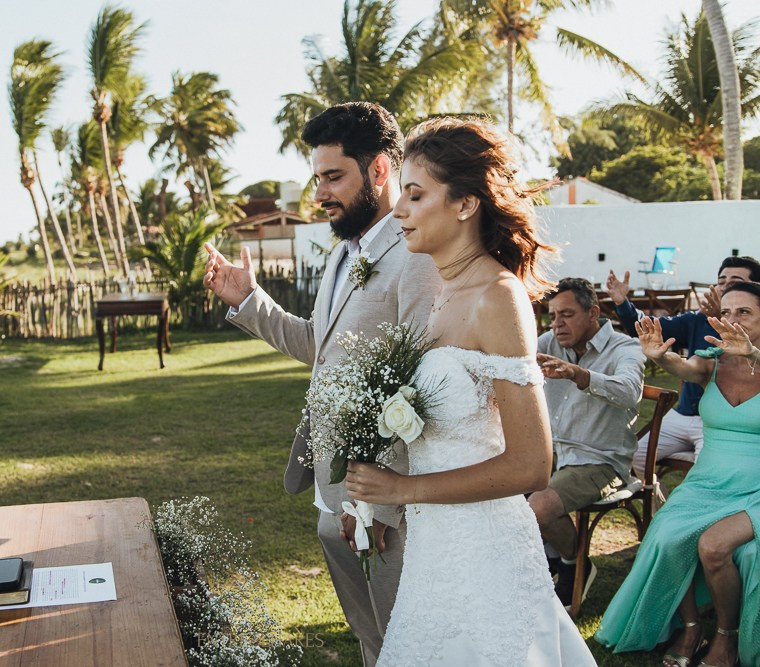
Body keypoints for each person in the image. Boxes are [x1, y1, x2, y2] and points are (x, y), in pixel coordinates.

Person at [343, 117, 595, 665]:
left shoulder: (497, 297)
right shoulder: (440, 292)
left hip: (485, 550)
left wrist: (401, 489)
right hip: (434, 548)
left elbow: (532, 465)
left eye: (415, 195)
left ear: (464, 204)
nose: (399, 210)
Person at [203, 102, 440, 665]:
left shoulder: (417, 257)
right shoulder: (341, 254)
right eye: (317, 179)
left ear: (379, 170)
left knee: (405, 639)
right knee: (369, 635)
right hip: (332, 487)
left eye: (333, 177)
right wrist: (249, 302)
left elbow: (424, 386)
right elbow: (321, 345)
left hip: (383, 500)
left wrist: (380, 505)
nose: (320, 194)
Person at [596, 281, 760, 667]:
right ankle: (691, 627)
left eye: (745, 312)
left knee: (714, 547)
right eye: (727, 312)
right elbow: (685, 368)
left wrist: (754, 353)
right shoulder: (713, 359)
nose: (732, 320)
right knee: (667, 537)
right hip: (708, 483)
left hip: (755, 489)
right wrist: (660, 356)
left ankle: (727, 638)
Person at [529, 277, 645, 608]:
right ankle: (549, 557)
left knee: (538, 507)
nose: (557, 323)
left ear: (593, 313)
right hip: (552, 454)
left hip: (600, 461)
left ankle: (572, 564)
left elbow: (629, 391)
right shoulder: (549, 342)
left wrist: (578, 375)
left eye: (566, 314)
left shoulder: (626, 347)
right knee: (501, 489)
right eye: (552, 315)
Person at [606, 256, 760, 479]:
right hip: (683, 415)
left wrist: (742, 341)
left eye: (735, 282)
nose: (725, 287)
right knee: (630, 456)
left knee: (710, 473)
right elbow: (661, 337)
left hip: (719, 428)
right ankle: (654, 496)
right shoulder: (698, 321)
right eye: (721, 281)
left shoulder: (745, 326)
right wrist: (623, 305)